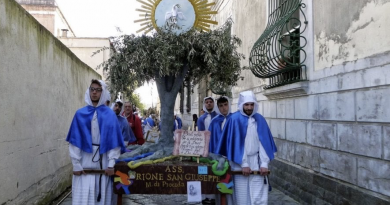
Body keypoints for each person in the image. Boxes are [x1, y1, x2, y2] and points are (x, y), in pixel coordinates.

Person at [66, 79, 125, 204]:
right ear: (89, 91)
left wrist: (111, 164)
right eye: (92, 89)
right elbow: (75, 141)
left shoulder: (110, 115)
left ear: (102, 93)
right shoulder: (80, 114)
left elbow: (114, 143)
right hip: (84, 162)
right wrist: (76, 164)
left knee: (101, 198)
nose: (94, 92)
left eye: (98, 90)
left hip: (103, 162)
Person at [217, 90, 277, 205]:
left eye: (251, 104)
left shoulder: (259, 119)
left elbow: (263, 143)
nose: (249, 108)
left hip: (256, 161)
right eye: (246, 104)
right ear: (241, 104)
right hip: (238, 163)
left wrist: (264, 163)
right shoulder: (234, 120)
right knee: (241, 197)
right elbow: (236, 144)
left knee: (258, 196)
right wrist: (243, 164)